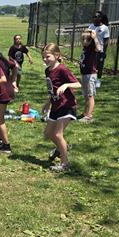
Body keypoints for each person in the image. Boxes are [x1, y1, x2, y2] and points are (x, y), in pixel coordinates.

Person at [42, 43, 81, 173]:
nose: (45, 59)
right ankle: (60, 148)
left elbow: (78, 84)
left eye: (47, 56)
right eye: (44, 57)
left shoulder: (62, 69)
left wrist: (66, 85)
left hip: (67, 105)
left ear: (56, 55)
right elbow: (51, 89)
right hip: (56, 105)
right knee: (48, 133)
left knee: (58, 134)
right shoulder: (48, 70)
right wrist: (48, 103)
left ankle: (65, 164)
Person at [78, 30, 102, 122]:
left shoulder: (93, 49)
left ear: (91, 41)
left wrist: (95, 37)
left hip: (90, 75)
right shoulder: (85, 48)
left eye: (87, 39)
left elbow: (99, 48)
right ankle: (85, 113)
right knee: (86, 95)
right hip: (84, 74)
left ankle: (88, 116)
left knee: (90, 96)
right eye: (83, 39)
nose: (85, 41)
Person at [87, 11, 110, 86]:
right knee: (91, 64)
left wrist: (104, 52)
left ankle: (98, 80)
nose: (94, 18)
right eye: (93, 17)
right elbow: (87, 37)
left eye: (95, 17)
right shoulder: (91, 26)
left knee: (99, 66)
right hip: (91, 50)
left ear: (100, 18)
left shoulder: (105, 28)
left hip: (100, 50)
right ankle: (91, 79)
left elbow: (106, 41)